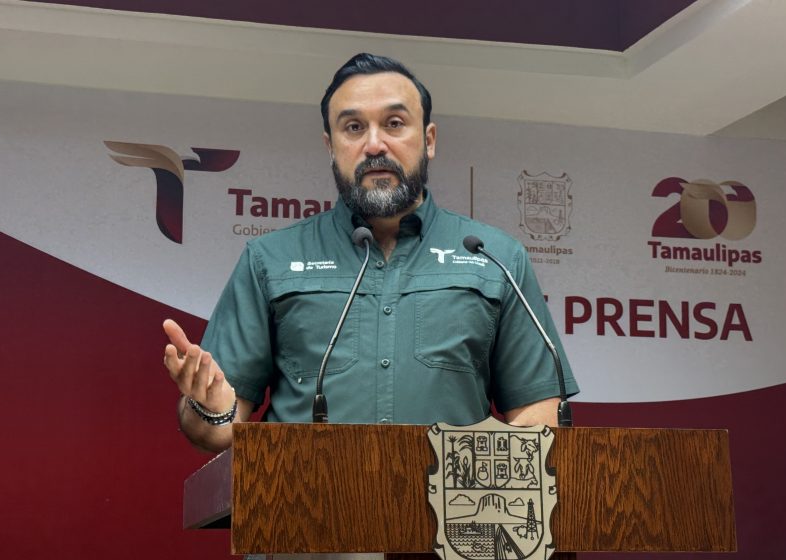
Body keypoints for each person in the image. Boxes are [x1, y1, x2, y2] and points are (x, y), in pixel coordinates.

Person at [163, 53, 579, 452]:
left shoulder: (495, 257)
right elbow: (217, 430)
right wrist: (211, 410)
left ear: (429, 140)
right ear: (330, 146)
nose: (375, 144)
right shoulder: (269, 259)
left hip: (454, 519)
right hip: (303, 515)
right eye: (354, 128)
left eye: (394, 123)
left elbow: (537, 411)